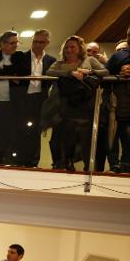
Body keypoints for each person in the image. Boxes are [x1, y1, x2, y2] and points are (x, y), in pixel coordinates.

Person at [47, 35, 109, 171]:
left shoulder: (90, 60)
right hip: (66, 105)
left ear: (79, 48)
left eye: (72, 47)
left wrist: (89, 71)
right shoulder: (60, 63)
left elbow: (105, 72)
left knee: (87, 139)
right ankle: (68, 165)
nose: (69, 50)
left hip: (86, 105)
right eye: (67, 47)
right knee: (68, 138)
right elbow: (49, 71)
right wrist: (71, 73)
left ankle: (89, 168)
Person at [0, 31, 29, 165]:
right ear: (2, 44)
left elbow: (23, 73)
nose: (16, 45)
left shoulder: (20, 56)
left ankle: (2, 158)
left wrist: (2, 72)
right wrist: (11, 75)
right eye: (12, 43)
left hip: (12, 101)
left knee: (8, 131)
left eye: (17, 42)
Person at [20, 29, 56, 167]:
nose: (36, 45)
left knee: (37, 131)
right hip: (24, 98)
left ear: (47, 43)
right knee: (21, 129)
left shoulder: (51, 60)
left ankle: (33, 162)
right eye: (35, 41)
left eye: (40, 42)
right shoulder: (22, 57)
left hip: (40, 99)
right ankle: (19, 159)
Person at [106, 26, 130, 173]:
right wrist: (120, 74)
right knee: (116, 135)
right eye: (129, 35)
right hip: (120, 104)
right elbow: (104, 75)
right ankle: (117, 165)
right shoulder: (118, 56)